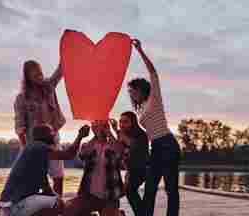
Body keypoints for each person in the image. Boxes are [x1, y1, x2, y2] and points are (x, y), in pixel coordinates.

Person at [127, 39, 181, 216]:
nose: (131, 95)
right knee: (149, 189)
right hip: (156, 148)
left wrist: (140, 51)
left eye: (133, 91)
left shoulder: (154, 98)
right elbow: (145, 131)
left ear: (141, 89)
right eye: (130, 93)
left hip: (168, 145)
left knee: (171, 189)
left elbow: (153, 72)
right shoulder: (142, 109)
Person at [0, 124, 90, 216]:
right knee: (59, 204)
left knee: (56, 202)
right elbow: (68, 155)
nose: (54, 134)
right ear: (43, 135)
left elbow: (45, 186)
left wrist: (55, 196)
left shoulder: (34, 151)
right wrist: (80, 136)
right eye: (51, 132)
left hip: (7, 205)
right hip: (13, 205)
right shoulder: (39, 146)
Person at [14, 60, 66, 195]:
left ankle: (57, 207)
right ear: (27, 76)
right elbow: (20, 127)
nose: (39, 73)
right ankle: (44, 207)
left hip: (52, 138)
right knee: (40, 181)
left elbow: (60, 71)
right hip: (34, 143)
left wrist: (66, 52)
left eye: (39, 70)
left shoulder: (48, 87)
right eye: (34, 71)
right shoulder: (21, 99)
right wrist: (26, 149)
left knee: (58, 177)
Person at [64, 121, 125, 216]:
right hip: (89, 195)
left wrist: (109, 132)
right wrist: (95, 136)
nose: (98, 128)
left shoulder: (113, 144)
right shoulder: (88, 145)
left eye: (100, 125)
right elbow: (83, 154)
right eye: (95, 125)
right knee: (69, 208)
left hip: (110, 195)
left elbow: (121, 151)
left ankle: (119, 214)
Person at [110, 111, 149, 216]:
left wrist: (118, 133)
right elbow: (118, 148)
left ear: (133, 123)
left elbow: (133, 145)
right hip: (131, 169)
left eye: (125, 122)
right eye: (120, 122)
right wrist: (111, 131)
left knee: (130, 191)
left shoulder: (141, 135)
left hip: (144, 169)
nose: (122, 124)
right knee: (128, 192)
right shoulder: (124, 134)